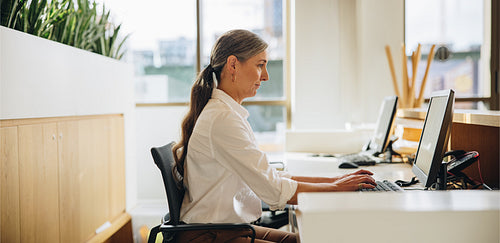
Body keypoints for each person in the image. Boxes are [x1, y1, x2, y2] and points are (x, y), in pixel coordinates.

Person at [171, 29, 377, 243]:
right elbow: (274, 191)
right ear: (233, 65)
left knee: (304, 238)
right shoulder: (223, 119)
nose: (266, 76)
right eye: (260, 65)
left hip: (224, 230)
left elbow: (270, 178)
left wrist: (336, 181)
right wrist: (335, 188)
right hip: (209, 236)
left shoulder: (226, 113)